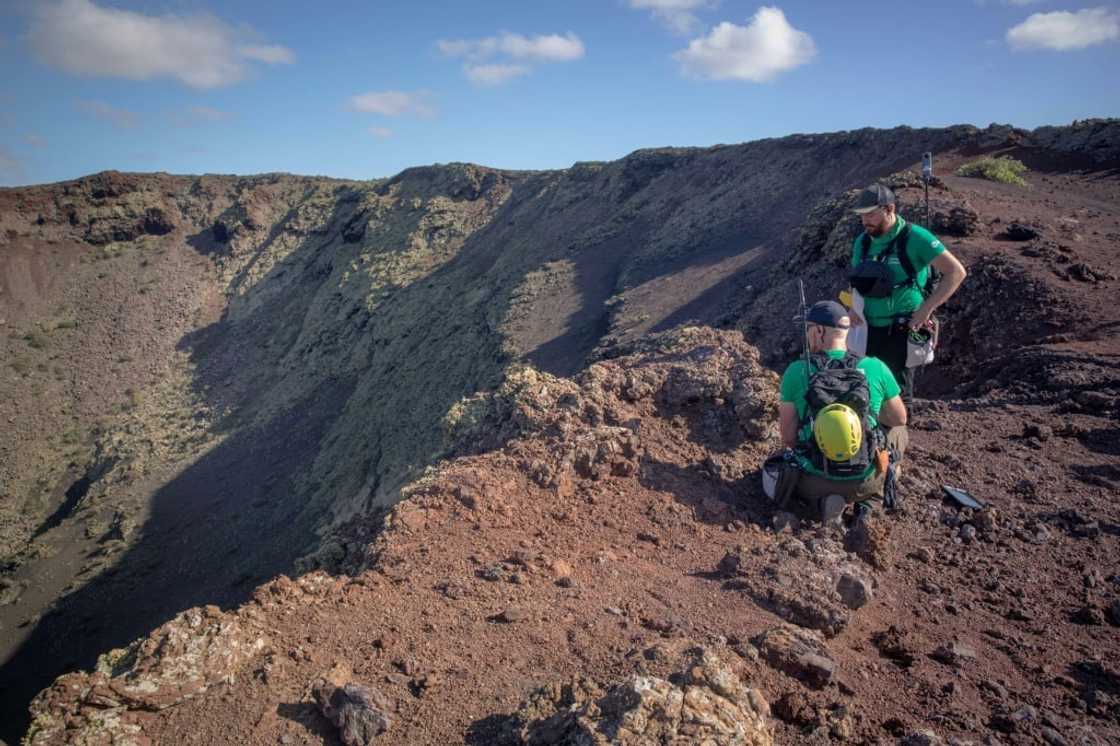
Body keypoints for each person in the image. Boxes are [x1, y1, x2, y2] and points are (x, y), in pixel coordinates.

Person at [776, 301, 908, 540]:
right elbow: (899, 417)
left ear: (819, 331)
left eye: (808, 328)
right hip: (865, 477)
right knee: (900, 432)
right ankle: (867, 505)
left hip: (814, 480)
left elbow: (788, 437)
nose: (807, 334)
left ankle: (824, 503)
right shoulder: (875, 366)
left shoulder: (796, 371)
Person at [847, 184, 967, 402]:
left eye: (871, 214)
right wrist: (852, 308)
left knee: (898, 396)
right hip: (867, 331)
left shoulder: (915, 238)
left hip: (903, 330)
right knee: (868, 393)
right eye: (862, 216)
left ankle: (897, 435)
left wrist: (926, 310)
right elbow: (856, 281)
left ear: (889, 208)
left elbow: (956, 272)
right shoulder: (862, 242)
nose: (865, 221)